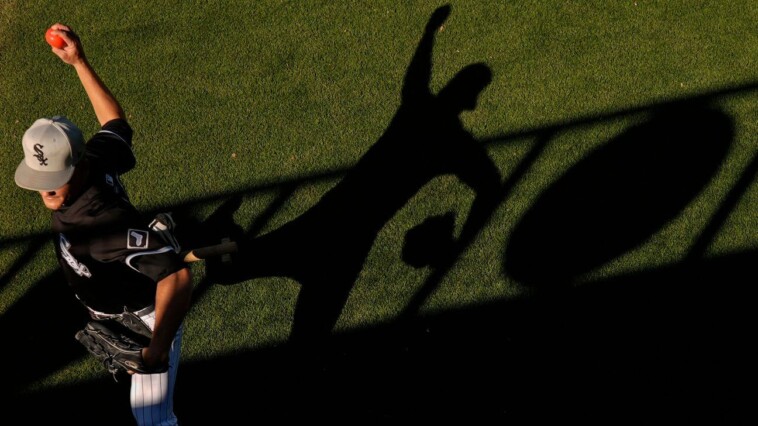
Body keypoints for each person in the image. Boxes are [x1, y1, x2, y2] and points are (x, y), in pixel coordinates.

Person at [14, 23, 192, 425]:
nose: (46, 192)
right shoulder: (95, 160)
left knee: (153, 419)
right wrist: (79, 62)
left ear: (75, 166)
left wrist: (155, 351)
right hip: (111, 301)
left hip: (144, 319)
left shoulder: (100, 226)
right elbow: (114, 124)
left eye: (54, 180)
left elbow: (177, 279)